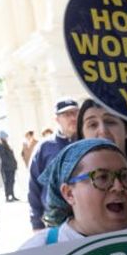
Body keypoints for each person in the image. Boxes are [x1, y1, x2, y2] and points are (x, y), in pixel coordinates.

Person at [28, 98, 79, 230]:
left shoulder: (88, 142)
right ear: (57, 119)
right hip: (56, 220)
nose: (73, 118)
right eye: (67, 115)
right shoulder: (44, 148)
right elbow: (34, 186)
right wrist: (36, 222)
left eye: (75, 113)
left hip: (87, 216)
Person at [0, 131, 18, 202]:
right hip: (6, 167)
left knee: (12, 181)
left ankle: (12, 195)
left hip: (11, 166)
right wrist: (9, 163)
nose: (7, 138)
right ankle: (8, 196)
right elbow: (3, 156)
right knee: (7, 181)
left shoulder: (6, 144)